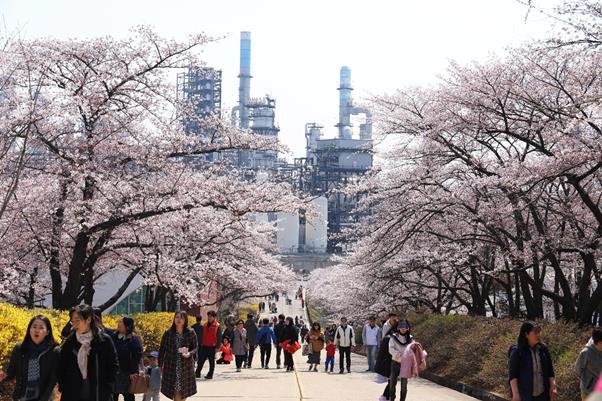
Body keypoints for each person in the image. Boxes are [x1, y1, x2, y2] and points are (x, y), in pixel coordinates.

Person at [57, 304, 118, 401]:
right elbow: (61, 366)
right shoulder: (70, 341)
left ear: (88, 320)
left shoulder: (104, 341)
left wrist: (108, 386)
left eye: (78, 320)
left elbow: (113, 365)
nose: (74, 324)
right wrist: (63, 386)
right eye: (73, 321)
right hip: (73, 393)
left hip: (99, 393)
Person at [0, 315, 60, 401]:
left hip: (44, 397)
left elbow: (52, 380)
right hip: (21, 397)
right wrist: (3, 376)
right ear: (29, 330)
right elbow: (10, 374)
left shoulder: (54, 351)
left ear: (47, 332)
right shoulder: (19, 348)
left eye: (41, 328)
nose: (37, 330)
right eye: (34, 327)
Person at [509, 320, 557, 401]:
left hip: (543, 395)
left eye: (539, 332)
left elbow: (550, 371)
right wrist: (516, 394)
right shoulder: (517, 351)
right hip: (526, 396)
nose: (538, 335)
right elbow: (513, 375)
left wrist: (553, 386)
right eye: (535, 332)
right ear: (526, 334)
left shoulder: (543, 349)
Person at [158, 311, 198, 401]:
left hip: (186, 366)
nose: (178, 319)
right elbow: (162, 349)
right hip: (172, 366)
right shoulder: (168, 333)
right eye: (177, 317)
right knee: (176, 391)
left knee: (184, 392)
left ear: (185, 320)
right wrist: (160, 365)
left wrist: (190, 353)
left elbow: (195, 347)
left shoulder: (190, 332)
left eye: (181, 318)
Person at [388, 319, 425, 401]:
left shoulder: (410, 338)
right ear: (398, 328)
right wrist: (400, 356)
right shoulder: (393, 337)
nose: (403, 329)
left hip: (406, 365)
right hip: (395, 362)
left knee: (404, 385)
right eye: (401, 327)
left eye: (404, 327)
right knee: (392, 383)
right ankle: (392, 399)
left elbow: (414, 350)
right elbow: (391, 349)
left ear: (407, 328)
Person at [111, 316, 143, 401]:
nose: (119, 324)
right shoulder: (114, 336)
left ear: (127, 326)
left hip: (128, 374)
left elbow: (137, 355)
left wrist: (133, 371)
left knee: (128, 396)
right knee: (113, 395)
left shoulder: (134, 339)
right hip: (115, 372)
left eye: (121, 322)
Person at [576, 327, 602, 400]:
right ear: (600, 342)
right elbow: (578, 370)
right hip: (588, 392)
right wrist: (588, 381)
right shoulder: (586, 353)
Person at [195, 311, 222, 379]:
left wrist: (217, 347)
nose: (209, 318)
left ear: (214, 317)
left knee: (211, 361)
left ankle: (210, 374)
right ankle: (197, 373)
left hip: (212, 347)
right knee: (201, 360)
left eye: (211, 316)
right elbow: (202, 335)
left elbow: (219, 337)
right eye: (208, 316)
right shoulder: (205, 324)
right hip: (204, 345)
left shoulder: (217, 326)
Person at [376, 320, 399, 401]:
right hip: (389, 363)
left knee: (392, 382)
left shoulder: (393, 337)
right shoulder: (390, 338)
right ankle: (387, 397)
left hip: (393, 362)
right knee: (392, 382)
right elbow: (385, 353)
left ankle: (386, 397)